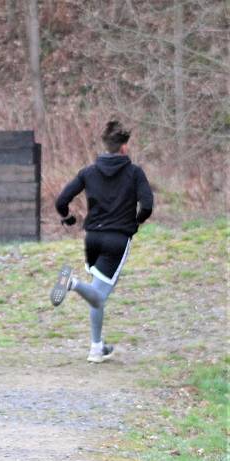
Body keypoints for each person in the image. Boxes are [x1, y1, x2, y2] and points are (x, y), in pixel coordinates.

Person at [50, 119, 154, 362]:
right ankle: (72, 283)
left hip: (93, 239)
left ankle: (97, 347)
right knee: (99, 295)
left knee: (95, 292)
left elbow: (60, 201)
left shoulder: (88, 172)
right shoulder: (134, 172)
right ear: (124, 148)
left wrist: (68, 218)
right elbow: (147, 206)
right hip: (117, 240)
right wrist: (136, 222)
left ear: (105, 146)